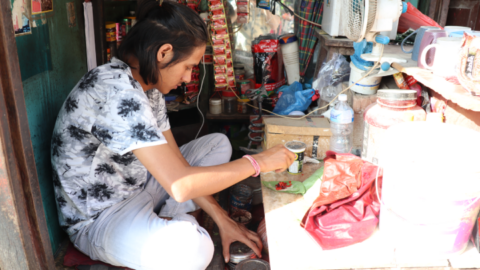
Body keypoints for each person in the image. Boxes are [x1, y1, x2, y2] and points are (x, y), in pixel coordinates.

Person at [51, 1, 295, 269]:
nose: (189, 77)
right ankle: (177, 223)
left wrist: (224, 220)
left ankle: (169, 219)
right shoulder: (117, 93)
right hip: (102, 219)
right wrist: (258, 162)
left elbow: (179, 167)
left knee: (218, 144)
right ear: (164, 53)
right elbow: (180, 184)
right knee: (194, 250)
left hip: (140, 186)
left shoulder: (147, 89)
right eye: (189, 66)